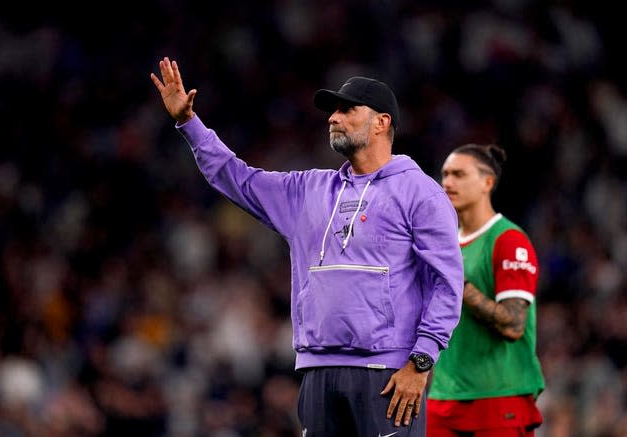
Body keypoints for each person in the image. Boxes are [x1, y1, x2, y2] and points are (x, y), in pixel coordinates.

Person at [151, 57, 464, 437]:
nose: (333, 118)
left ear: (382, 122)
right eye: (332, 111)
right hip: (318, 372)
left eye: (347, 110)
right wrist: (189, 124)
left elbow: (447, 283)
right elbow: (237, 178)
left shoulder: (420, 193)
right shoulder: (307, 191)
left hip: (389, 374)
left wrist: (420, 362)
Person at [428, 144, 545, 436]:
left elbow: (514, 324)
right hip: (443, 397)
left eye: (458, 174)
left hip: (498, 396)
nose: (447, 183)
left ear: (487, 183)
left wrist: (458, 283)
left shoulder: (508, 240)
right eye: (445, 174)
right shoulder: (443, 246)